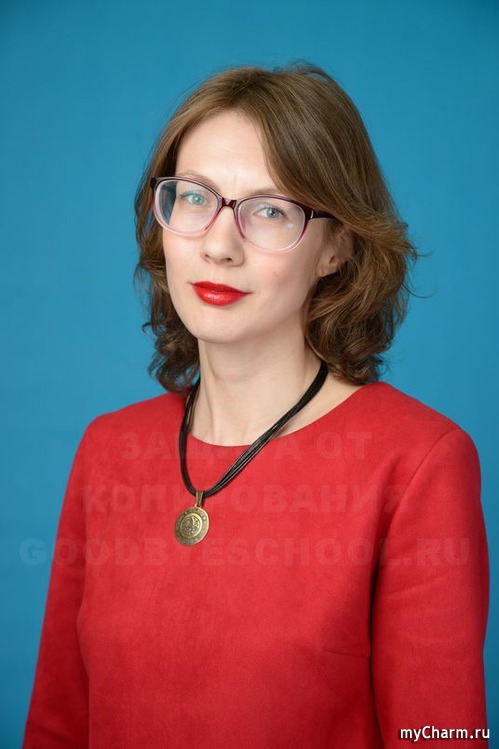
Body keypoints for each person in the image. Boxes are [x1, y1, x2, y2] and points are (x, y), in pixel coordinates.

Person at [23, 63, 489, 748]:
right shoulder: (108, 449)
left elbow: (439, 734)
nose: (219, 245)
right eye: (194, 197)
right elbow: (57, 726)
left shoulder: (417, 462)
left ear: (336, 247)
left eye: (269, 210)